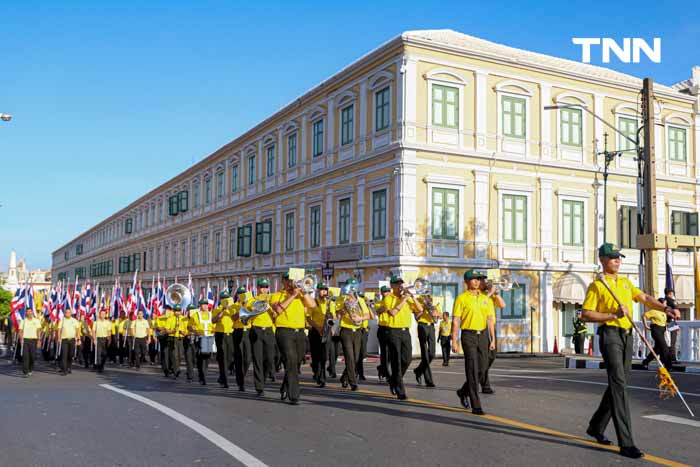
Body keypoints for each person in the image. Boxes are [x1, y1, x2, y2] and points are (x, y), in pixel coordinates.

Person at [581, 243, 680, 459]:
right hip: (610, 335)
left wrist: (667, 308)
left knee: (620, 383)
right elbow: (586, 314)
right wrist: (612, 315)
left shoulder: (625, 283)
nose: (617, 260)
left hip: (626, 336)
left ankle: (596, 427)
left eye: (619, 257)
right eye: (613, 257)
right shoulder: (597, 286)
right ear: (602, 260)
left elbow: (644, 298)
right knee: (619, 385)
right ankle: (626, 443)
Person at [452, 270, 495, 415]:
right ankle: (476, 405)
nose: (476, 281)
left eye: (478, 279)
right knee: (472, 368)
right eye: (473, 279)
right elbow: (456, 320)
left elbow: (489, 319)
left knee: (483, 369)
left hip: (483, 335)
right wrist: (454, 340)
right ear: (466, 282)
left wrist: (492, 338)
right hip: (468, 335)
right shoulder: (461, 298)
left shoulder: (485, 298)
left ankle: (463, 391)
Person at [271, 272, 316, 404]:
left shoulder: (301, 295)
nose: (291, 283)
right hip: (284, 331)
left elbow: (312, 305)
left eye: (293, 280)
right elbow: (279, 310)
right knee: (290, 360)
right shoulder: (277, 295)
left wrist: (303, 292)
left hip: (300, 331)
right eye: (288, 280)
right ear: (283, 282)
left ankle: (285, 386)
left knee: (296, 363)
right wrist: (293, 295)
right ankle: (294, 395)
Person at [382, 275, 423, 400]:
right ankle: (400, 390)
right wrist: (404, 299)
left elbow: (420, 309)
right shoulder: (389, 298)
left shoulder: (407, 297)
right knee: (396, 361)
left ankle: (395, 379)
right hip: (393, 332)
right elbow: (393, 312)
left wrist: (412, 297)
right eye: (397, 284)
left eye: (401, 283)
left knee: (407, 359)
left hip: (405, 331)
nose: (400, 286)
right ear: (392, 286)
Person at [336, 279, 371, 391]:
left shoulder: (360, 300)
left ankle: (344, 377)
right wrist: (341, 310)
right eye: (350, 286)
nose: (352, 289)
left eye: (354, 286)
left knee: (355, 358)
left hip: (358, 331)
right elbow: (336, 315)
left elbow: (368, 316)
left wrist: (360, 318)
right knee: (349, 357)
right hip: (346, 330)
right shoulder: (342, 299)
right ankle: (353, 382)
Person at [246, 279, 276, 396]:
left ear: (268, 288)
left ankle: (262, 380)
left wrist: (271, 307)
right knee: (258, 359)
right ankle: (259, 386)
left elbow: (276, 314)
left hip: (269, 330)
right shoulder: (252, 300)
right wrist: (264, 303)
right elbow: (252, 309)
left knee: (269, 359)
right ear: (257, 289)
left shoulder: (272, 299)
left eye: (266, 287)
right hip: (256, 329)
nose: (264, 289)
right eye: (261, 287)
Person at [306, 282, 335, 388]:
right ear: (318, 291)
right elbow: (308, 317)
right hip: (315, 331)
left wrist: (331, 320)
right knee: (315, 355)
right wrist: (318, 328)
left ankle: (322, 377)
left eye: (325, 290)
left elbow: (333, 317)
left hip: (326, 331)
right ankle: (317, 372)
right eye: (322, 290)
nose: (324, 292)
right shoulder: (313, 302)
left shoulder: (330, 303)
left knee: (324, 355)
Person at [480, 278, 505, 394]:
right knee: (484, 358)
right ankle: (485, 385)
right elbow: (481, 303)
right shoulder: (479, 295)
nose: (485, 284)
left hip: (491, 327)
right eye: (483, 282)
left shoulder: (490, 296)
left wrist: (496, 293)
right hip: (481, 327)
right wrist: (489, 293)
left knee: (492, 355)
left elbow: (502, 305)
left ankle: (479, 375)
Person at [413, 290, 441, 388]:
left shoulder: (433, 304)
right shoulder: (417, 302)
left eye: (429, 295)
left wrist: (435, 313)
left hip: (431, 327)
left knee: (432, 353)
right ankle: (429, 381)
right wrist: (423, 309)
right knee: (425, 354)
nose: (428, 297)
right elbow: (416, 317)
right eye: (426, 295)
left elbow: (439, 316)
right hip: (422, 326)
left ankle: (418, 370)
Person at [190, 299, 215, 385]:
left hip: (209, 337)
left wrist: (214, 330)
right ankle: (202, 375)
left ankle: (203, 373)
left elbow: (214, 325)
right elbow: (189, 326)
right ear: (200, 306)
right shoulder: (195, 315)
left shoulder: (211, 315)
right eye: (202, 304)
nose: (204, 306)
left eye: (206, 304)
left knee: (207, 357)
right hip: (200, 338)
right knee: (200, 357)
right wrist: (194, 330)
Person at [231, 287, 251, 391]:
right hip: (238, 331)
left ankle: (243, 373)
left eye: (244, 293)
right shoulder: (234, 306)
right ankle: (240, 382)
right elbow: (233, 318)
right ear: (237, 295)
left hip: (248, 331)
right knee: (239, 357)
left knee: (247, 358)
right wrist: (241, 308)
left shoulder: (250, 304)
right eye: (240, 293)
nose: (242, 295)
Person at [213, 291, 235, 388]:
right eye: (223, 299)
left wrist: (229, 309)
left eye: (226, 298)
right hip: (220, 334)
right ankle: (225, 380)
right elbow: (214, 320)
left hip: (230, 334)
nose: (225, 300)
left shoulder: (232, 308)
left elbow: (235, 317)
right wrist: (222, 310)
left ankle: (222, 376)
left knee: (230, 357)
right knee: (222, 357)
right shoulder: (217, 309)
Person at [56, 308, 81, 375]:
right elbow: (59, 330)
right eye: (66, 312)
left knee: (71, 354)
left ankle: (69, 366)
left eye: (69, 312)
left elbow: (78, 330)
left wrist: (78, 339)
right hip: (64, 340)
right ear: (64, 313)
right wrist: (58, 338)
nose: (68, 314)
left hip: (72, 340)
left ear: (71, 313)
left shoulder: (75, 321)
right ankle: (64, 370)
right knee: (64, 355)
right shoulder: (62, 321)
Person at [375, 286, 392, 381]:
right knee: (385, 352)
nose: (387, 293)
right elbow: (379, 310)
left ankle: (382, 368)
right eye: (385, 292)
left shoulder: (392, 301)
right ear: (382, 293)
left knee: (391, 352)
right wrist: (387, 304)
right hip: (382, 329)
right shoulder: (379, 303)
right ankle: (387, 373)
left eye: (388, 291)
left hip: (392, 328)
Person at [19, 308, 42, 377]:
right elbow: (20, 331)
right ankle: (25, 372)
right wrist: (21, 339)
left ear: (32, 312)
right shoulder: (23, 321)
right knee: (25, 356)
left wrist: (39, 340)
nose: (29, 313)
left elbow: (38, 331)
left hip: (33, 340)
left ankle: (30, 369)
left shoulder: (36, 321)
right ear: (26, 313)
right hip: (25, 340)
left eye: (30, 311)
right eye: (27, 312)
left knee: (32, 356)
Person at [661, 289, 680, 363]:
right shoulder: (670, 300)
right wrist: (674, 315)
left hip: (666, 322)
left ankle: (668, 358)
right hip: (671, 322)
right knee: (672, 341)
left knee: (667, 342)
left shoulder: (664, 300)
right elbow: (675, 310)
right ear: (670, 293)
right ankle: (672, 359)